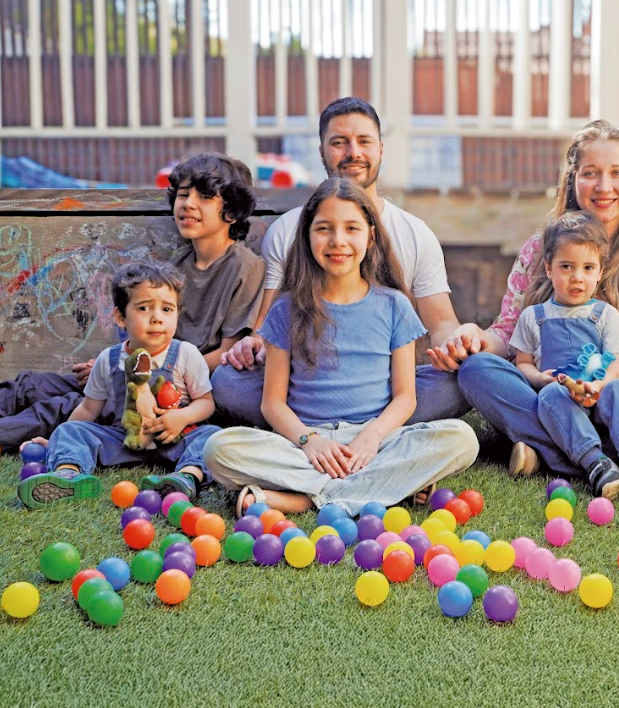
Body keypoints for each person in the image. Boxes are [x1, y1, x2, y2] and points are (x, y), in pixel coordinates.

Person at [0, 152, 265, 481]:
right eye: (182, 195)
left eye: (203, 196)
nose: (187, 204)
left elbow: (224, 355)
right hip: (132, 367)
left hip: (168, 389)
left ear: (230, 208)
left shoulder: (244, 267)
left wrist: (127, 367)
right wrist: (110, 361)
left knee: (52, 411)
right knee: (30, 386)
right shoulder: (178, 265)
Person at [434, 119, 619, 490]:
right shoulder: (539, 248)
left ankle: (556, 453)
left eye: (616, 173)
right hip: (552, 398)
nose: (604, 187)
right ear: (572, 181)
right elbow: (508, 334)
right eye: (591, 173)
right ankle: (618, 459)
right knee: (477, 370)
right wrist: (474, 339)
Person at [202, 178, 479, 517]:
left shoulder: (394, 305)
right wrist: (309, 442)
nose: (338, 241)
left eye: (352, 228)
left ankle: (304, 499)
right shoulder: (286, 308)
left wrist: (372, 437)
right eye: (324, 228)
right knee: (219, 449)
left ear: (370, 236)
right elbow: (273, 402)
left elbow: (406, 396)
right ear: (307, 236)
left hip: (375, 439)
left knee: (462, 439)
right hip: (305, 441)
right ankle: (376, 491)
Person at [212, 97, 470, 427]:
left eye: (364, 141)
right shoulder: (288, 231)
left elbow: (441, 323)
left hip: (388, 387)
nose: (353, 152)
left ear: (380, 148)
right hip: (304, 384)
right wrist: (251, 346)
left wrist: (456, 344)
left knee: (463, 379)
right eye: (339, 142)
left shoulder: (416, 233)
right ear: (321, 150)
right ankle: (310, 429)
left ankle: (368, 429)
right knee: (226, 381)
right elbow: (267, 326)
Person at [17, 263, 221, 509]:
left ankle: (185, 477)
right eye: (144, 308)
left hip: (176, 441)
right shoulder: (108, 359)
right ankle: (67, 473)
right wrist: (58, 442)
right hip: (123, 440)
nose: (157, 318)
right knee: (69, 431)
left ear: (177, 314)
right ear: (120, 317)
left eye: (167, 309)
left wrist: (181, 417)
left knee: (213, 437)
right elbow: (89, 409)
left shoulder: (185, 354)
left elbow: (206, 403)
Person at [511, 211, 619, 499]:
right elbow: (522, 362)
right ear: (549, 268)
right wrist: (539, 378)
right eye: (566, 266)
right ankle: (596, 464)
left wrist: (599, 385)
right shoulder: (533, 317)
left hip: (601, 396)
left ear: (599, 272)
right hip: (562, 401)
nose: (577, 277)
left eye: (587, 268)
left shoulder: (605, 315)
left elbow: (616, 362)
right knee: (549, 397)